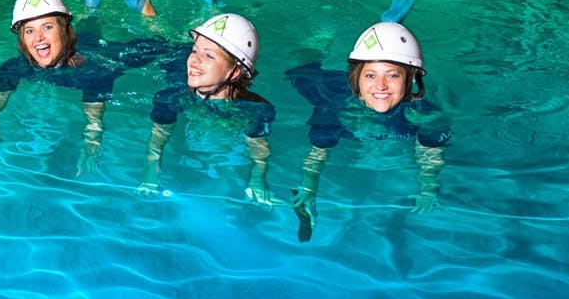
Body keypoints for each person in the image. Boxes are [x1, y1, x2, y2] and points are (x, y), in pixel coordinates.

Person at [0, 0, 166, 173]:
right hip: (79, 45)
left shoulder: (93, 70)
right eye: (29, 31)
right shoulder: (15, 67)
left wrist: (92, 138)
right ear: (22, 40)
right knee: (89, 34)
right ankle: (91, 7)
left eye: (48, 27)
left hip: (99, 55)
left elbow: (94, 112)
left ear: (65, 30)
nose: (38, 38)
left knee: (159, 44)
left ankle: (141, 4)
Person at [285, 19, 451, 241]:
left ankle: (389, 26)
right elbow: (317, 153)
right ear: (357, 80)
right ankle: (324, 33)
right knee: (302, 69)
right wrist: (308, 190)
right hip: (329, 86)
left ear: (410, 79)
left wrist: (428, 190)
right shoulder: (333, 108)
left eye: (392, 75)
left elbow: (430, 153)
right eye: (370, 75)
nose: (380, 85)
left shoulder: (424, 115)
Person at [136, 12, 278, 206]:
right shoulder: (172, 97)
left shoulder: (255, 111)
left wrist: (257, 180)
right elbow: (157, 139)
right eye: (194, 51)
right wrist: (150, 175)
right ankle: (147, 10)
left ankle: (208, 9)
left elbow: (259, 152)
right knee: (163, 40)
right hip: (173, 66)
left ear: (235, 71)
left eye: (208, 56)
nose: (194, 61)